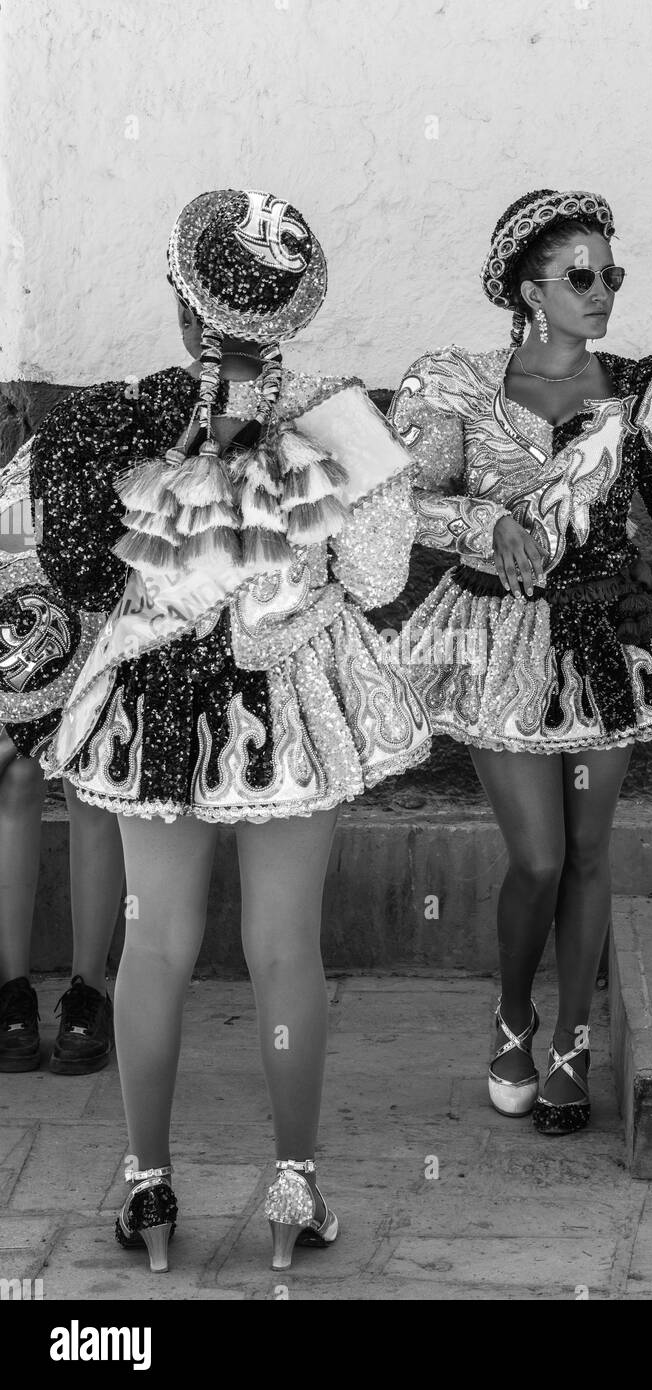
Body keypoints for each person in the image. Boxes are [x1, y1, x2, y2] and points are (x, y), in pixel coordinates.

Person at [35, 188, 431, 1271]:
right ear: (289, 312)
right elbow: (382, 573)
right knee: (282, 946)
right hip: (285, 717)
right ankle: (294, 1189)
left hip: (153, 710)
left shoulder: (124, 418)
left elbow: (72, 563)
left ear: (184, 302)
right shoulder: (340, 422)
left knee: (154, 941)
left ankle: (148, 1191)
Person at [389, 188, 652, 1137]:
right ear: (526, 289)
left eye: (610, 276)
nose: (600, 294)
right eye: (579, 277)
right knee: (538, 859)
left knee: (590, 852)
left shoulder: (645, 391)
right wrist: (486, 519)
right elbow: (397, 507)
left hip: (606, 641)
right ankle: (513, 1013)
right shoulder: (453, 386)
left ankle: (571, 1044)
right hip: (496, 639)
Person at [0, 442, 122, 1074]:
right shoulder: (26, 488)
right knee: (16, 776)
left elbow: (134, 600)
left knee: (91, 782)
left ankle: (88, 991)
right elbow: (11, 579)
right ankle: (10, 990)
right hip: (25, 659)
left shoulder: (142, 469)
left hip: (108, 651)